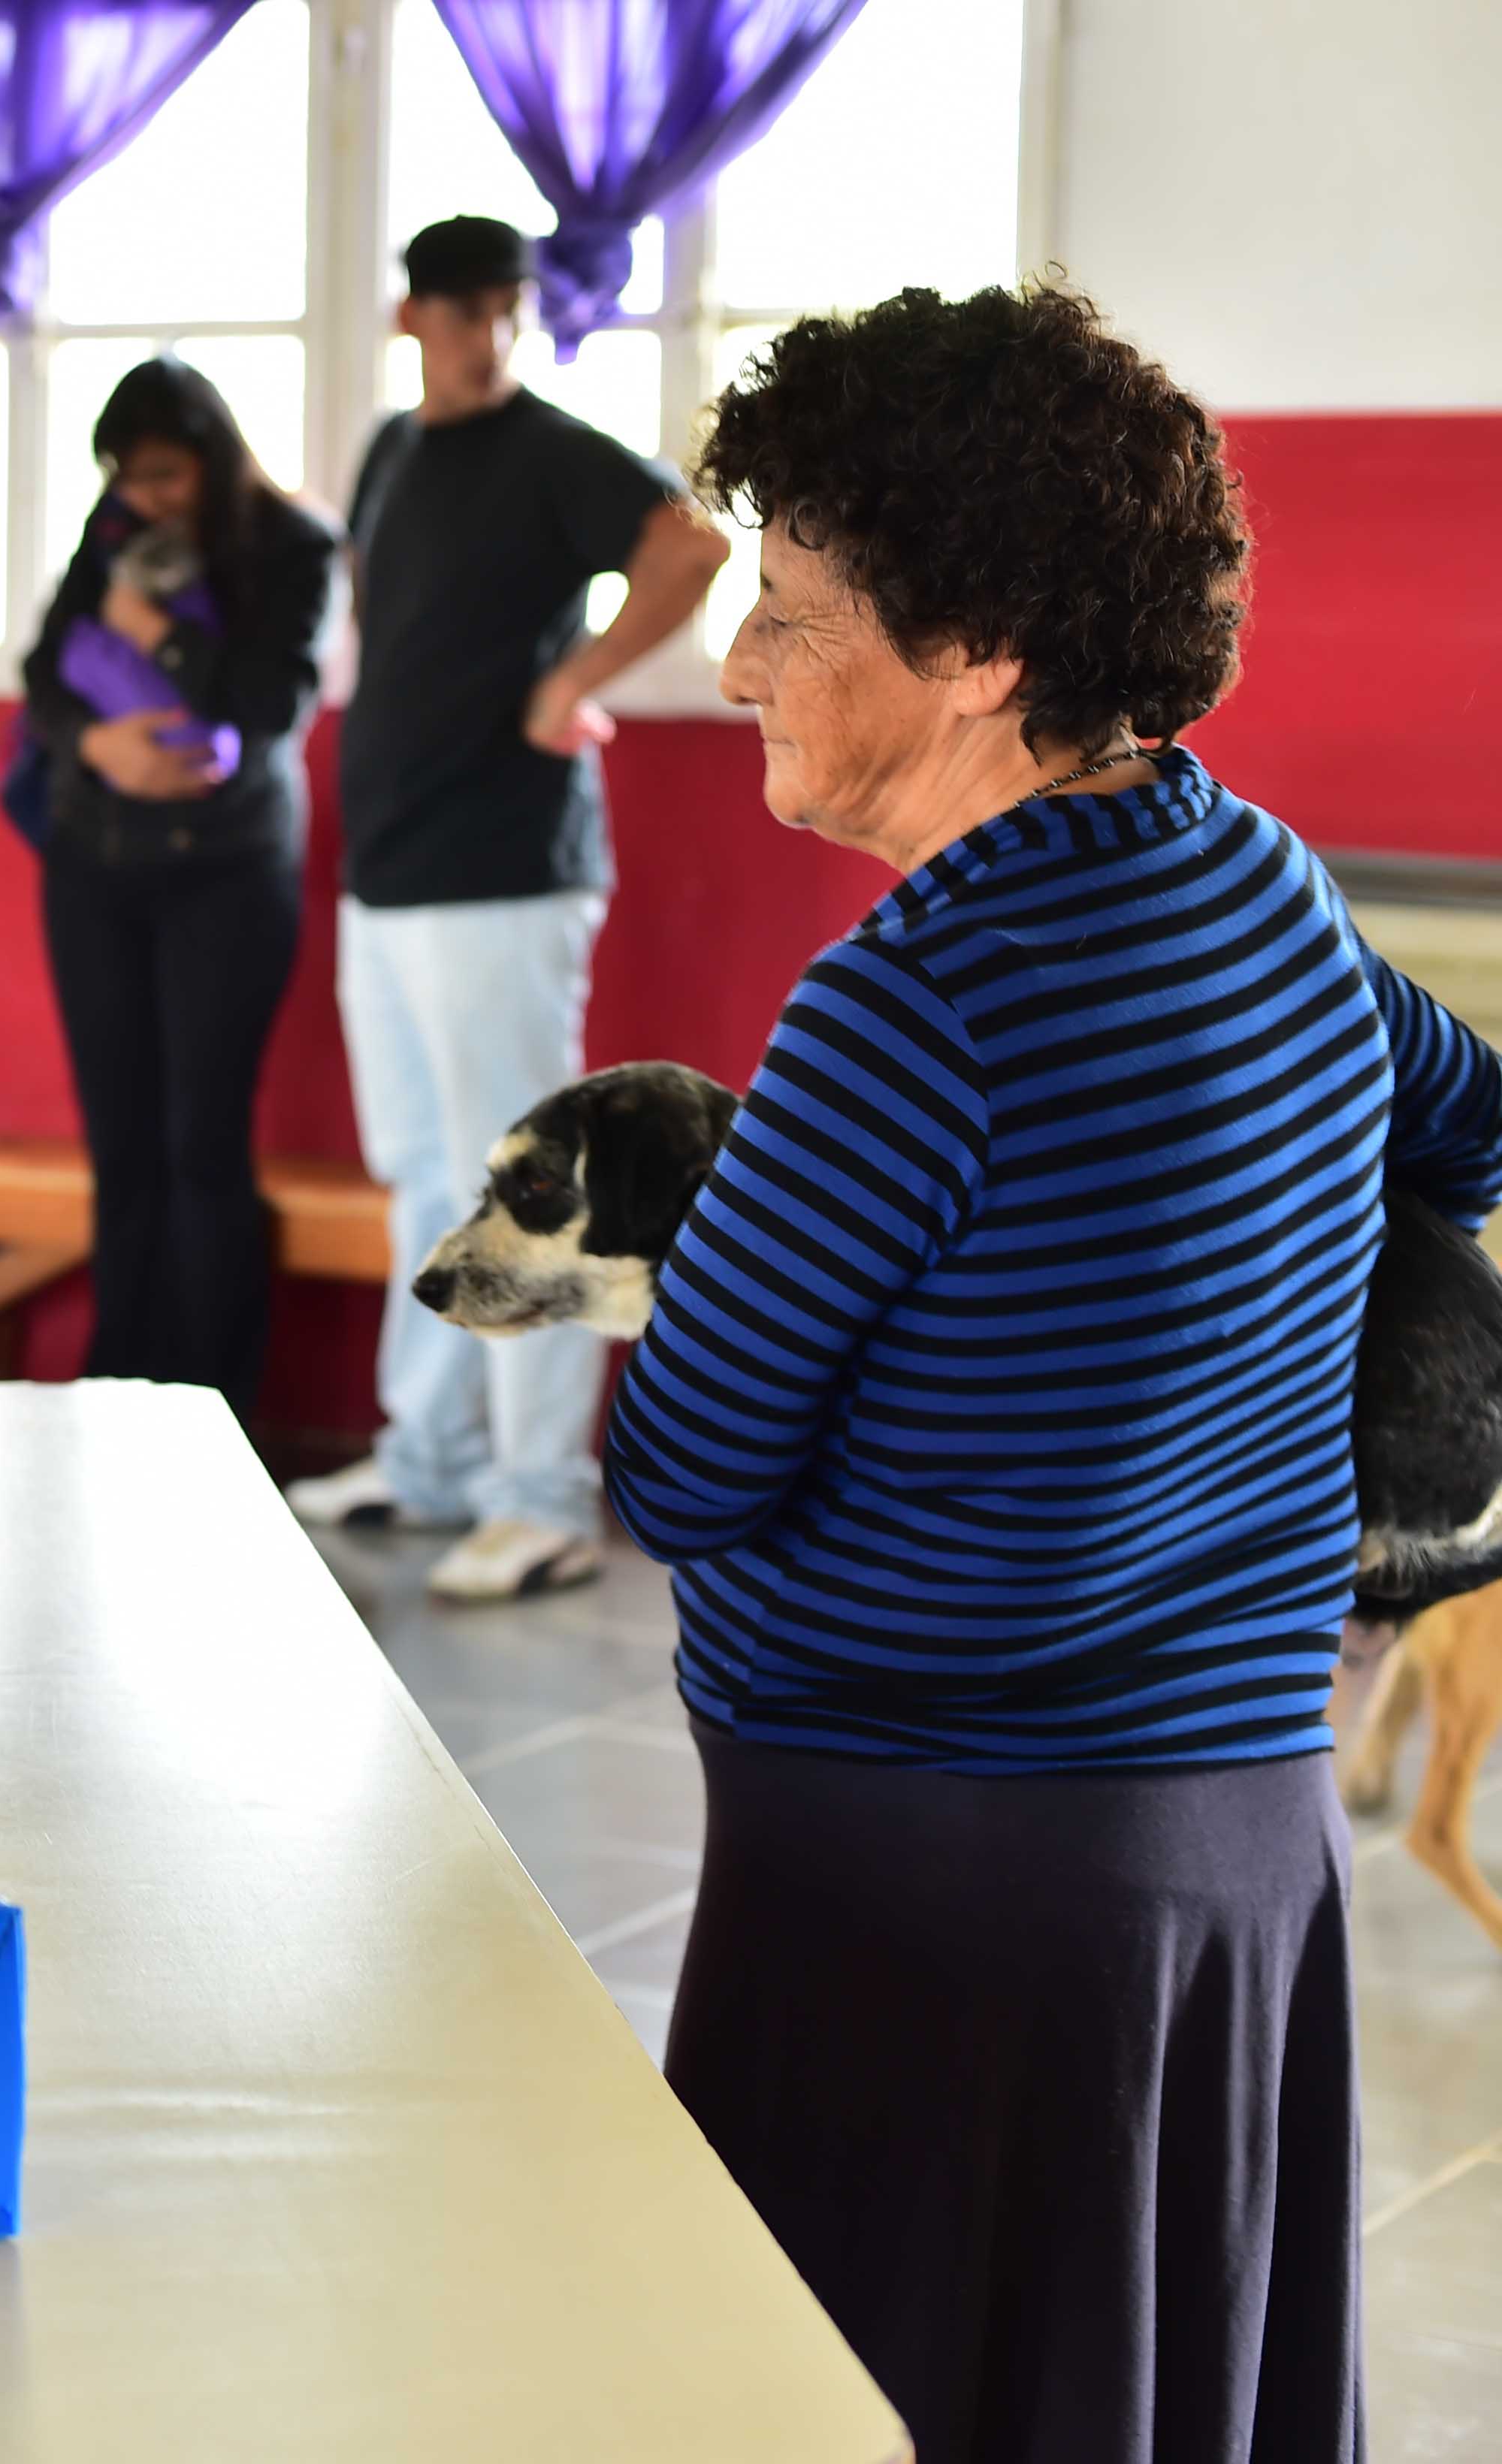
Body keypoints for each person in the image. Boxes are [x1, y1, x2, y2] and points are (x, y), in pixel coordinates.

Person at [613, 283, 1471, 2462]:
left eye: (796, 615)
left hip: (930, 1906)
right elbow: (1465, 1114)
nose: (738, 667)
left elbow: (684, 1470)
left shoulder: (912, 1018)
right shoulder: (1261, 884)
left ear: (981, 648)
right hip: (1225, 1857)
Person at [283, 216, 730, 1602]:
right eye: (460, 312)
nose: (487, 336)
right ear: (409, 316)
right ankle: (430, 1459)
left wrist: (568, 683)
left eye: (506, 311)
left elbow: (689, 544)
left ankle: (538, 1496)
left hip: (505, 867)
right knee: (419, 1170)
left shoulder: (550, 450)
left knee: (533, 1185)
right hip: (391, 867)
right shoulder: (390, 450)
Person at [20, 357, 340, 1423]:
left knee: (204, 1143)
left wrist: (156, 628)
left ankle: (215, 1406)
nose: (142, 497)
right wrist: (98, 745)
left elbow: (272, 701)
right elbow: (44, 673)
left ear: (210, 456)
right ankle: (118, 1388)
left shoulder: (293, 542)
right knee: (122, 1145)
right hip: (95, 865)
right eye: (125, 477)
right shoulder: (113, 527)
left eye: (162, 475)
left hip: (228, 870)